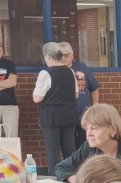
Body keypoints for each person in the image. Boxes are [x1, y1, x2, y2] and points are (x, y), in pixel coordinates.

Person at [33, 42, 78, 175]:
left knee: (53, 151)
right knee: (69, 149)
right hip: (69, 114)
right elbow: (75, 94)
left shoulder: (45, 73)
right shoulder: (70, 71)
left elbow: (37, 98)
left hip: (51, 116)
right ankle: (72, 175)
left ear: (47, 55)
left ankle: (55, 177)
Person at [58, 42, 100, 148]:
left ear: (72, 55)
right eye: (60, 55)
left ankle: (86, 164)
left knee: (85, 143)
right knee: (69, 145)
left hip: (84, 113)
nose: (63, 58)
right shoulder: (55, 71)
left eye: (66, 55)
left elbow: (94, 88)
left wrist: (94, 106)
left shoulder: (82, 68)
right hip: (65, 114)